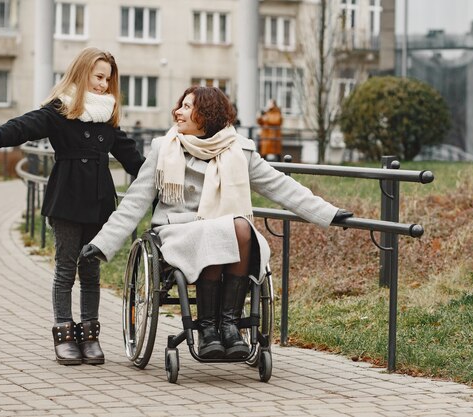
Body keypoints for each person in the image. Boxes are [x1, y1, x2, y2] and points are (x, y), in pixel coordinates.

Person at [80, 86, 352, 360]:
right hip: (177, 232)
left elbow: (281, 187)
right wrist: (101, 244)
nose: (178, 111)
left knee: (242, 227)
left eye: (187, 107)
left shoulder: (239, 151)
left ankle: (230, 325)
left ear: (206, 114)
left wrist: (329, 213)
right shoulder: (164, 149)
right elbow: (135, 201)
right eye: (180, 105)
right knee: (219, 230)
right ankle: (208, 329)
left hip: (225, 228)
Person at [0, 47, 145, 366]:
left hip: (99, 201)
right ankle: (64, 334)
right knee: (66, 268)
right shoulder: (59, 110)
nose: (104, 85)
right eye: (98, 77)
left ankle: (90, 337)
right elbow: (23, 127)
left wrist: (165, 173)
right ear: (82, 74)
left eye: (108, 79)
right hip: (66, 197)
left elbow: (133, 159)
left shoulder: (108, 118)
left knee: (90, 270)